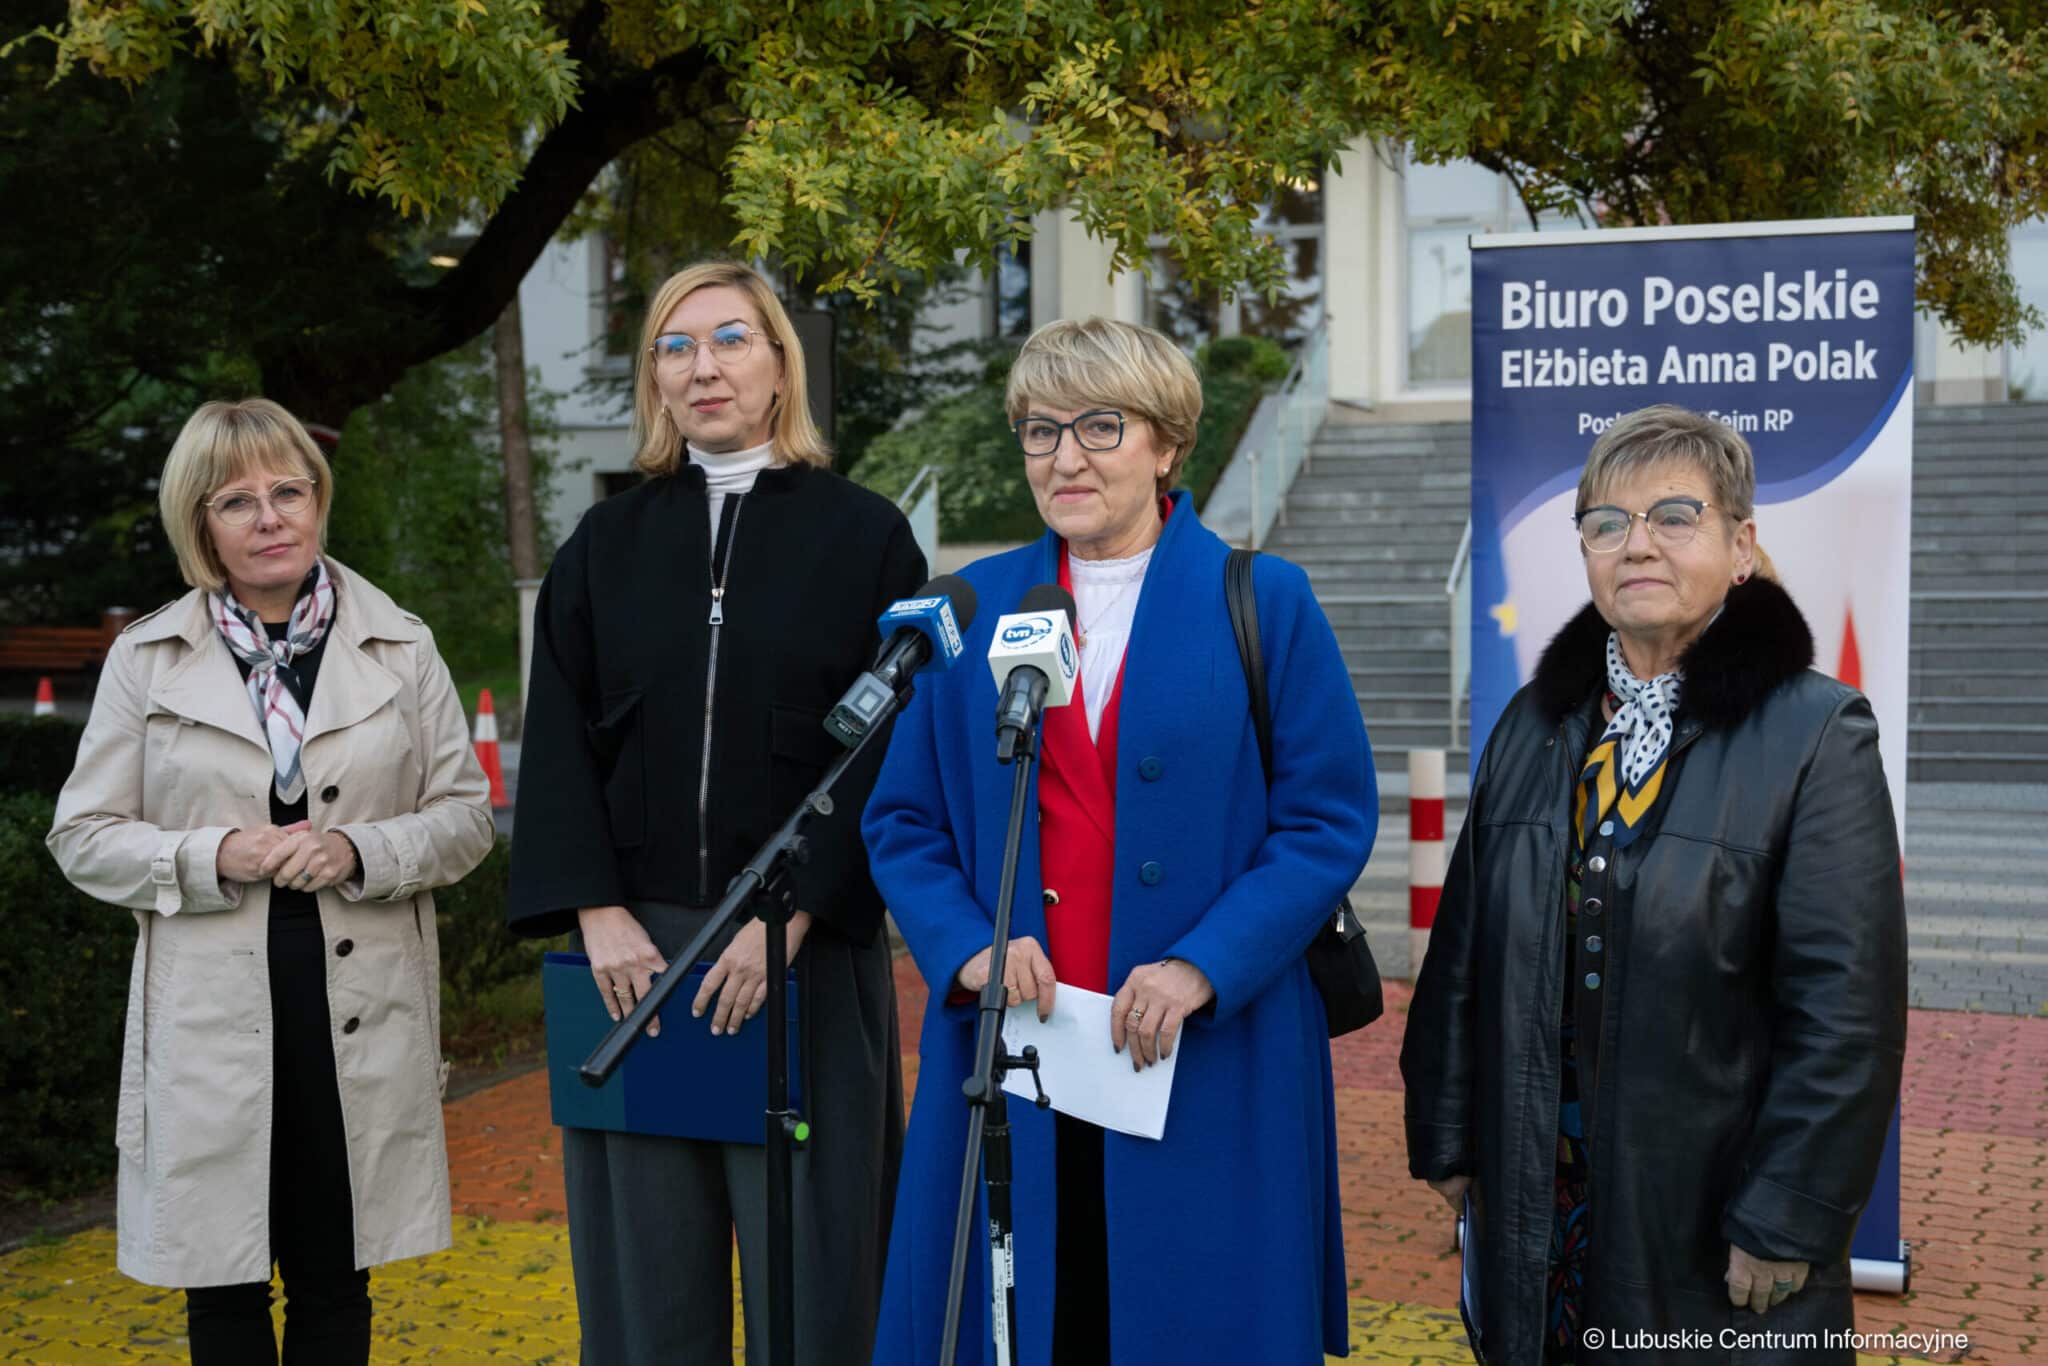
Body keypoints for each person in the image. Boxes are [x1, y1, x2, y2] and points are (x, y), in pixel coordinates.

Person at [863, 317, 1377, 1365]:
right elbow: (902, 820)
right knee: (1034, 1316)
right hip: (1017, 1050)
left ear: (1166, 443)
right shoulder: (965, 606)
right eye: (1039, 429)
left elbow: (1325, 819)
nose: (1065, 456)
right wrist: (969, 946)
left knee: (1193, 1315)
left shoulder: (1261, 599)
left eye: (1100, 426)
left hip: (1206, 1053)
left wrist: (1203, 963)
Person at [1401, 405, 1908, 1364]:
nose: (1637, 545)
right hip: (1540, 1208)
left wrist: (1786, 1212)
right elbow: (1462, 957)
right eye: (1607, 523)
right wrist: (1450, 1135)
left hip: (1715, 1224)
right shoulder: (1532, 724)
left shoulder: (1816, 734)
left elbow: (1847, 1016)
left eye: (1675, 516)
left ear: (1742, 545)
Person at [507, 260, 927, 1364]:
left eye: (730, 338)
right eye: (674, 346)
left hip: (798, 957)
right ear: (654, 378)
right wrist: (593, 910)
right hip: (632, 953)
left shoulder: (866, 536)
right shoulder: (604, 546)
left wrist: (787, 920)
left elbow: (890, 747)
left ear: (781, 363)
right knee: (647, 1287)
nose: (702, 367)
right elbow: (557, 737)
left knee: (819, 1276)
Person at [47, 398, 496, 1364]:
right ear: (200, 524)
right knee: (224, 1293)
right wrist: (212, 854)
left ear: (319, 499)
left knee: (338, 1284)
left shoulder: (401, 644)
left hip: (360, 1014)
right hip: (211, 1024)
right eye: (237, 500)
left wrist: (358, 852)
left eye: (289, 491)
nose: (271, 517)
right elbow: (82, 837)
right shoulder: (148, 656)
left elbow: (465, 820)